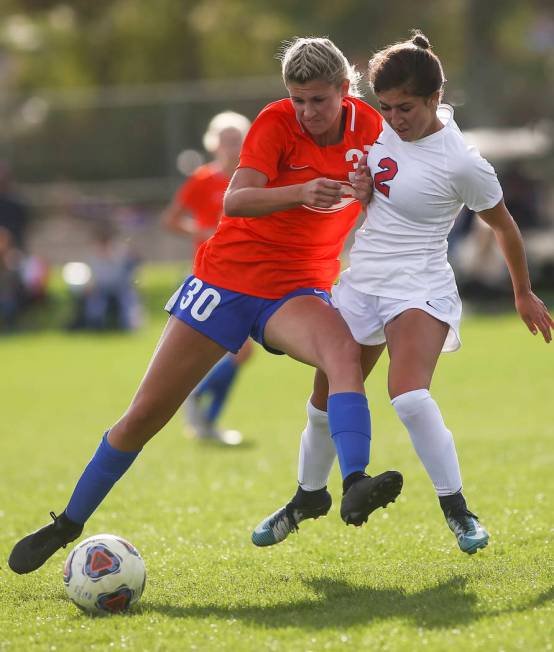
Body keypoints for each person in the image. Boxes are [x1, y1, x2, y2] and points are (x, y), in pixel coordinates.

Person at [8, 36, 403, 575]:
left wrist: (370, 189)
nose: (307, 112)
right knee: (147, 414)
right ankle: (68, 524)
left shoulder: (373, 127)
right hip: (226, 280)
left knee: (343, 357)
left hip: (298, 285)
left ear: (344, 89)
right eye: (298, 99)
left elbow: (404, 183)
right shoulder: (274, 122)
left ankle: (355, 482)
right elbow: (234, 199)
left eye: (319, 99)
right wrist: (300, 191)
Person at [251, 31, 553, 555]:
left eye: (406, 107)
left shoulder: (462, 163)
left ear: (436, 99)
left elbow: (504, 227)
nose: (394, 118)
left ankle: (459, 511)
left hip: (420, 283)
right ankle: (306, 498)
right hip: (363, 280)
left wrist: (522, 292)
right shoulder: (381, 131)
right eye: (386, 106)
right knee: (325, 401)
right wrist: (361, 191)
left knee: (409, 396)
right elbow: (373, 183)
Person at [162, 111, 254, 445]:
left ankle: (199, 406)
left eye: (237, 138)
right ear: (214, 143)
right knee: (237, 351)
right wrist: (198, 230)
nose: (232, 145)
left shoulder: (252, 179)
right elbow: (170, 219)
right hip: (210, 276)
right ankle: (201, 410)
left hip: (246, 274)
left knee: (240, 352)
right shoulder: (203, 180)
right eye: (226, 139)